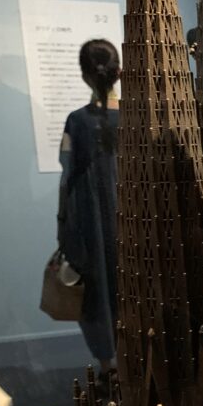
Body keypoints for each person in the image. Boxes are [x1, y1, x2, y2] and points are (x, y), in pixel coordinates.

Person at [58, 39, 120, 385]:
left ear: (84, 75)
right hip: (135, 222)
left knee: (96, 293)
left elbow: (67, 174)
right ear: (119, 72)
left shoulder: (77, 121)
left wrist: (63, 227)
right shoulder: (136, 116)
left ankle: (109, 368)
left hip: (90, 224)